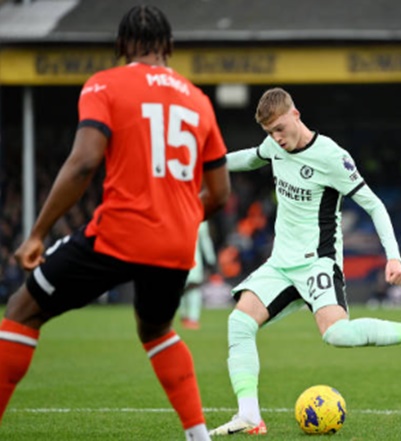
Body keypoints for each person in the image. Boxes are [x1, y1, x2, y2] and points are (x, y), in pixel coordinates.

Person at [0, 5, 230, 440]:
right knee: (157, 328)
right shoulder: (198, 100)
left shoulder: (105, 84)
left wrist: (36, 234)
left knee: (22, 310)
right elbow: (219, 194)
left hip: (118, 234)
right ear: (170, 48)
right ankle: (198, 436)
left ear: (122, 46)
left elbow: (84, 162)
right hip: (175, 243)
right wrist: (175, 218)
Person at [209, 88, 401, 436]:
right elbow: (251, 158)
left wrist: (392, 256)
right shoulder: (274, 145)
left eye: (279, 129)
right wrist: (208, 164)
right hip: (280, 264)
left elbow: (374, 205)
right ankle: (249, 416)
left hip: (318, 263)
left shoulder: (331, 156)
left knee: (338, 335)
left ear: (296, 114)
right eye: (269, 133)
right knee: (239, 323)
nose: (276, 138)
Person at [180, 221, 217, 330]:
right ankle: (189, 317)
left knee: (189, 287)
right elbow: (205, 240)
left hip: (187, 258)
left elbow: (204, 239)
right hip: (186, 258)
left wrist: (210, 258)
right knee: (188, 288)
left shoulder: (198, 216)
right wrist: (211, 259)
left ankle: (190, 317)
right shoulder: (198, 214)